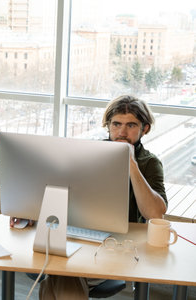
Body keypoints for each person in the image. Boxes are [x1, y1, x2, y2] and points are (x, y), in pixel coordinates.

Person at [38, 95, 168, 299]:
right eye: (116, 124)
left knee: (60, 274)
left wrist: (131, 165)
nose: (122, 132)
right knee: (60, 269)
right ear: (107, 126)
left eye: (131, 125)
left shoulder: (149, 163)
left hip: (119, 245)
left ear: (145, 129)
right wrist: (30, 213)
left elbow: (155, 214)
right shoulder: (89, 152)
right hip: (81, 235)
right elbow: (60, 191)